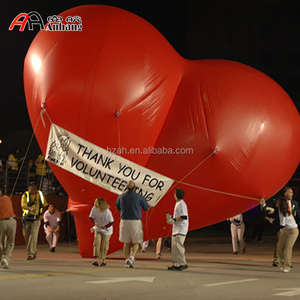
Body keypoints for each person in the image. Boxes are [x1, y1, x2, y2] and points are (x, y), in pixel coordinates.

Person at [261, 187, 299, 273]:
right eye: (290, 192)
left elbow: (283, 222)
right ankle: (283, 263)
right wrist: (264, 206)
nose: (277, 204)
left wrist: (272, 221)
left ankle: (287, 265)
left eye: (292, 192)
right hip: (285, 230)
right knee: (279, 247)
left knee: (288, 248)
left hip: (293, 230)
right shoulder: (280, 209)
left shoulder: (287, 212)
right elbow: (272, 212)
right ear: (285, 194)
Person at [116, 180, 150, 268]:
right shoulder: (139, 196)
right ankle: (132, 257)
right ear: (135, 188)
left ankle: (127, 260)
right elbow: (146, 208)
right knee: (137, 241)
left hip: (124, 221)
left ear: (126, 187)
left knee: (126, 242)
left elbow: (118, 207)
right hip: (135, 221)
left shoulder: (121, 196)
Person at [21, 181, 48, 260]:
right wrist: (30, 208)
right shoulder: (25, 195)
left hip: (36, 219)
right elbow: (23, 206)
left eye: (35, 186)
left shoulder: (40, 194)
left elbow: (45, 205)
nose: (33, 188)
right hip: (27, 218)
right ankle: (33, 251)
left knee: (33, 236)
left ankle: (31, 254)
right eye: (32, 186)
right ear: (28, 187)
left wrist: (42, 214)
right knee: (27, 237)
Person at [166, 188, 189, 271]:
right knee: (174, 247)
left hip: (181, 229)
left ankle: (183, 263)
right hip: (176, 229)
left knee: (179, 247)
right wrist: (171, 218)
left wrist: (174, 220)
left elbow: (184, 216)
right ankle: (176, 263)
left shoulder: (182, 204)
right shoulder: (178, 203)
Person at [89, 197, 114, 267]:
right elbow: (90, 217)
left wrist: (105, 226)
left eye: (95, 202)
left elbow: (111, 221)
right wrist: (94, 224)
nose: (94, 203)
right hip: (98, 228)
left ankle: (103, 260)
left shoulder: (107, 211)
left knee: (104, 244)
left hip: (107, 230)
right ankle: (96, 259)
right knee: (96, 242)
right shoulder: (94, 208)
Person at [0, 189, 17, 269]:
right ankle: (5, 258)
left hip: (1, 222)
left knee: (1, 243)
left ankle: (2, 258)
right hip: (11, 220)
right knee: (10, 242)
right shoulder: (7, 198)